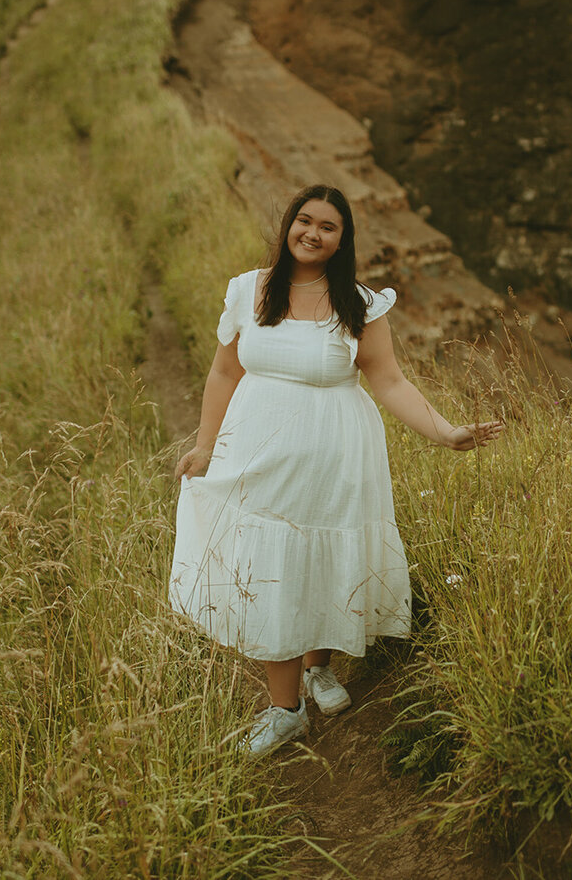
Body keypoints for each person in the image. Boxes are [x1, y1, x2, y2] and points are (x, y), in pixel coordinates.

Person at [169, 184, 503, 758]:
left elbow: (390, 381)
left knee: (321, 554)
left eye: (328, 226)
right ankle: (285, 711)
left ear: (342, 239)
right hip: (258, 450)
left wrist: (446, 432)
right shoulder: (251, 290)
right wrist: (204, 447)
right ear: (289, 225)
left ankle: (318, 667)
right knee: (269, 563)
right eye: (305, 220)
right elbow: (224, 373)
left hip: (336, 453)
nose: (313, 233)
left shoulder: (359, 303)